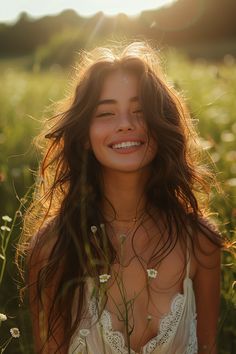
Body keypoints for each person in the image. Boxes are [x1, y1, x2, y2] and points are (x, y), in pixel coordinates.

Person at [17, 42, 224, 354]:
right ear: (84, 136)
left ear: (161, 124)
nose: (125, 123)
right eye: (106, 112)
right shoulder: (52, 248)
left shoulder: (201, 242)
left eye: (141, 111)